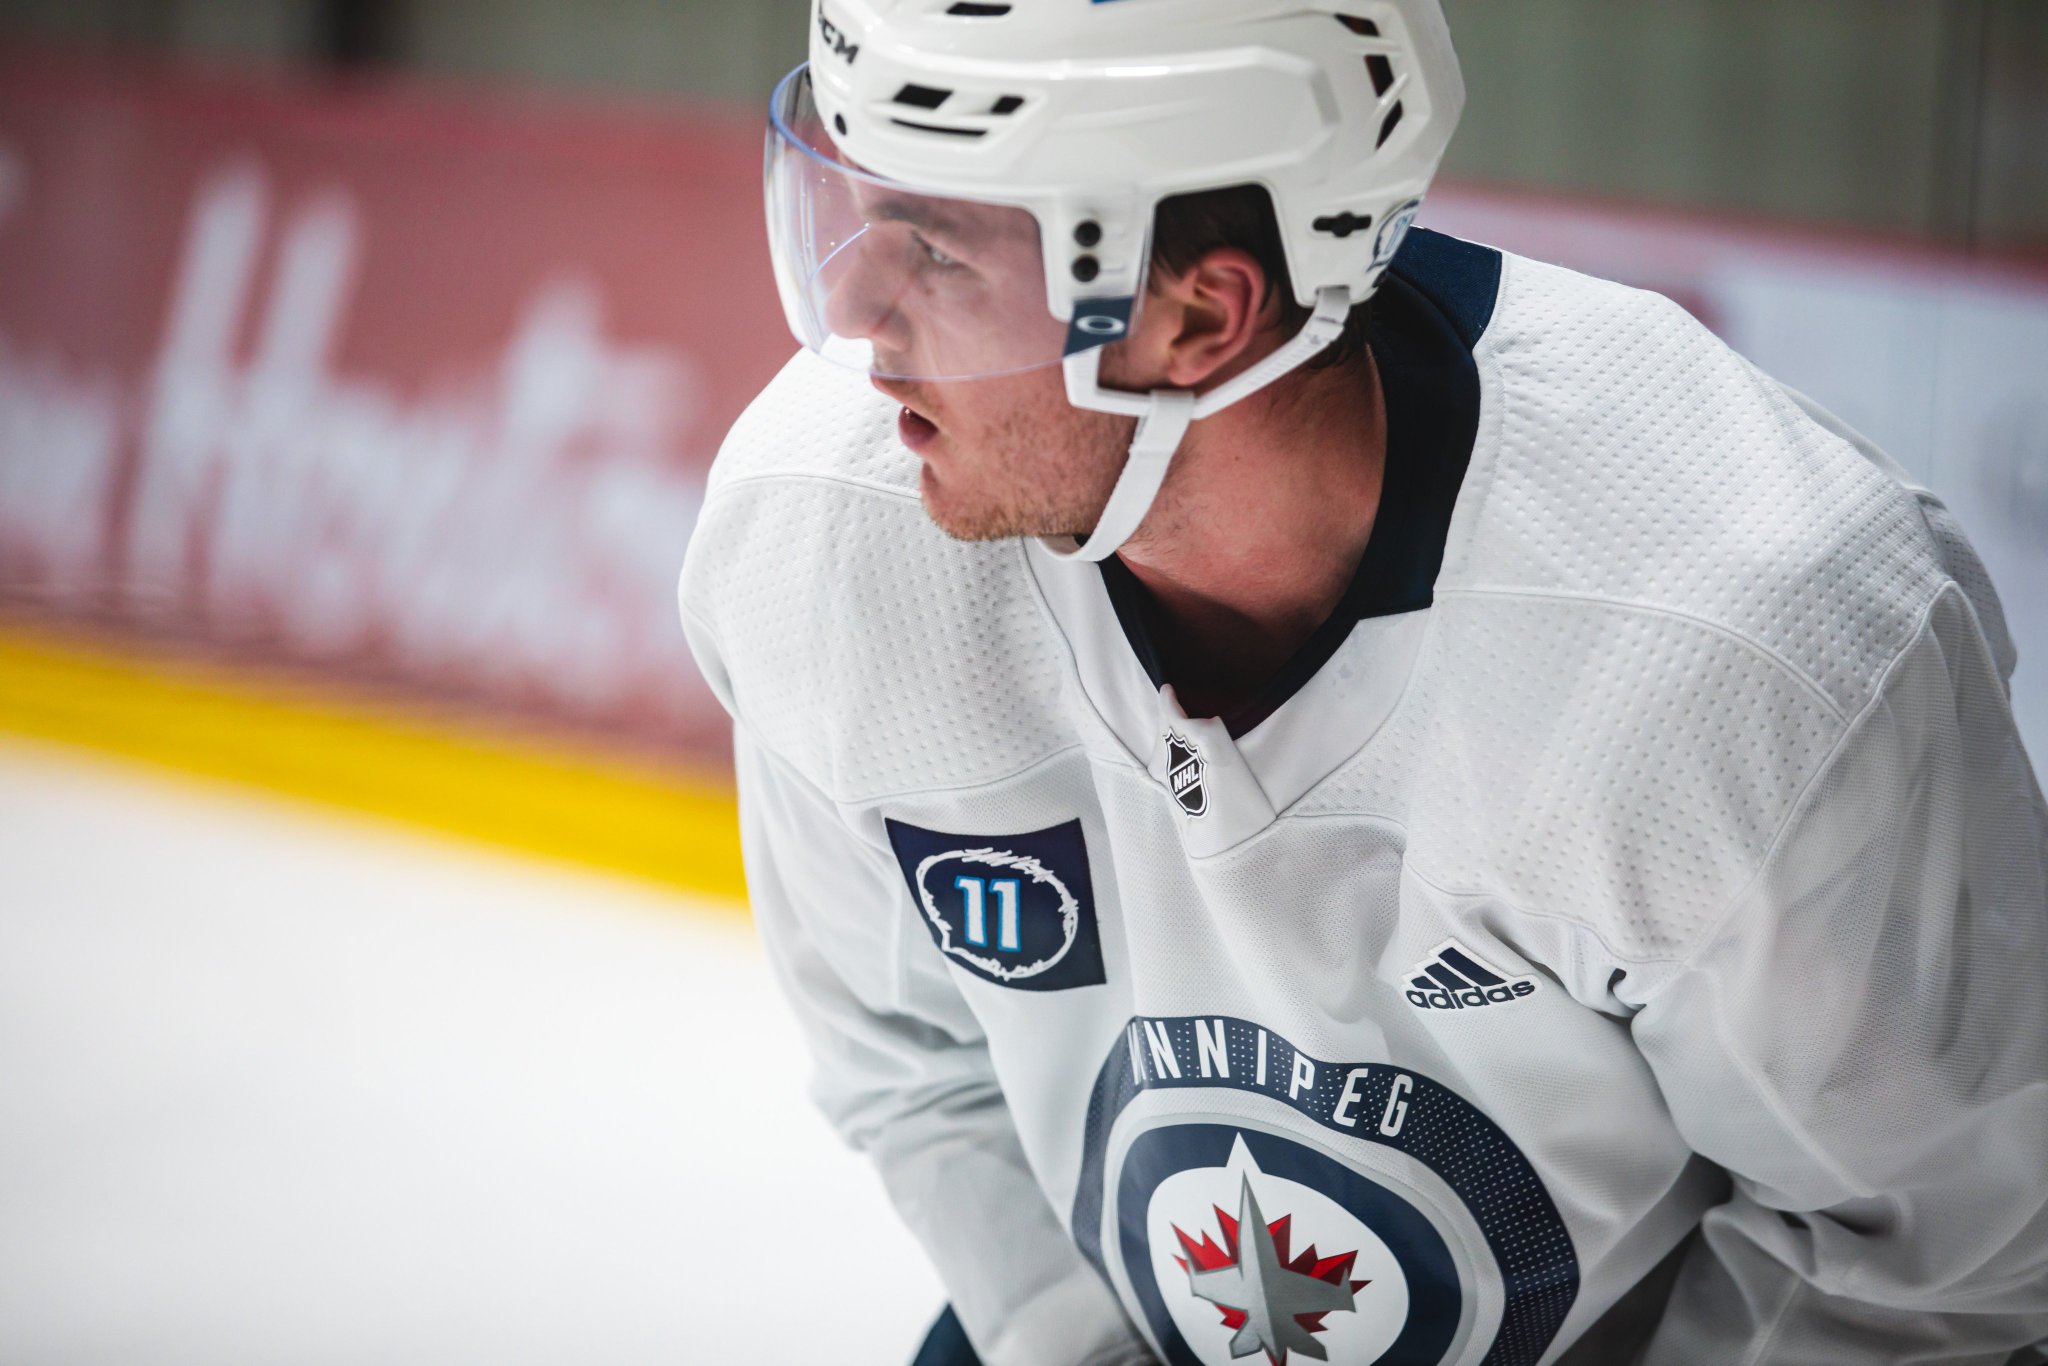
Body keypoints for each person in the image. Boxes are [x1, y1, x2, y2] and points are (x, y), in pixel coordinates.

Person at [679, 3, 2048, 1362]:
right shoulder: (821, 529)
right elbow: (908, 1064)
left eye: (936, 249)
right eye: (858, 213)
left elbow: (1942, 1262)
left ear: (1200, 315)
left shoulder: (1740, 653)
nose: (853, 314)